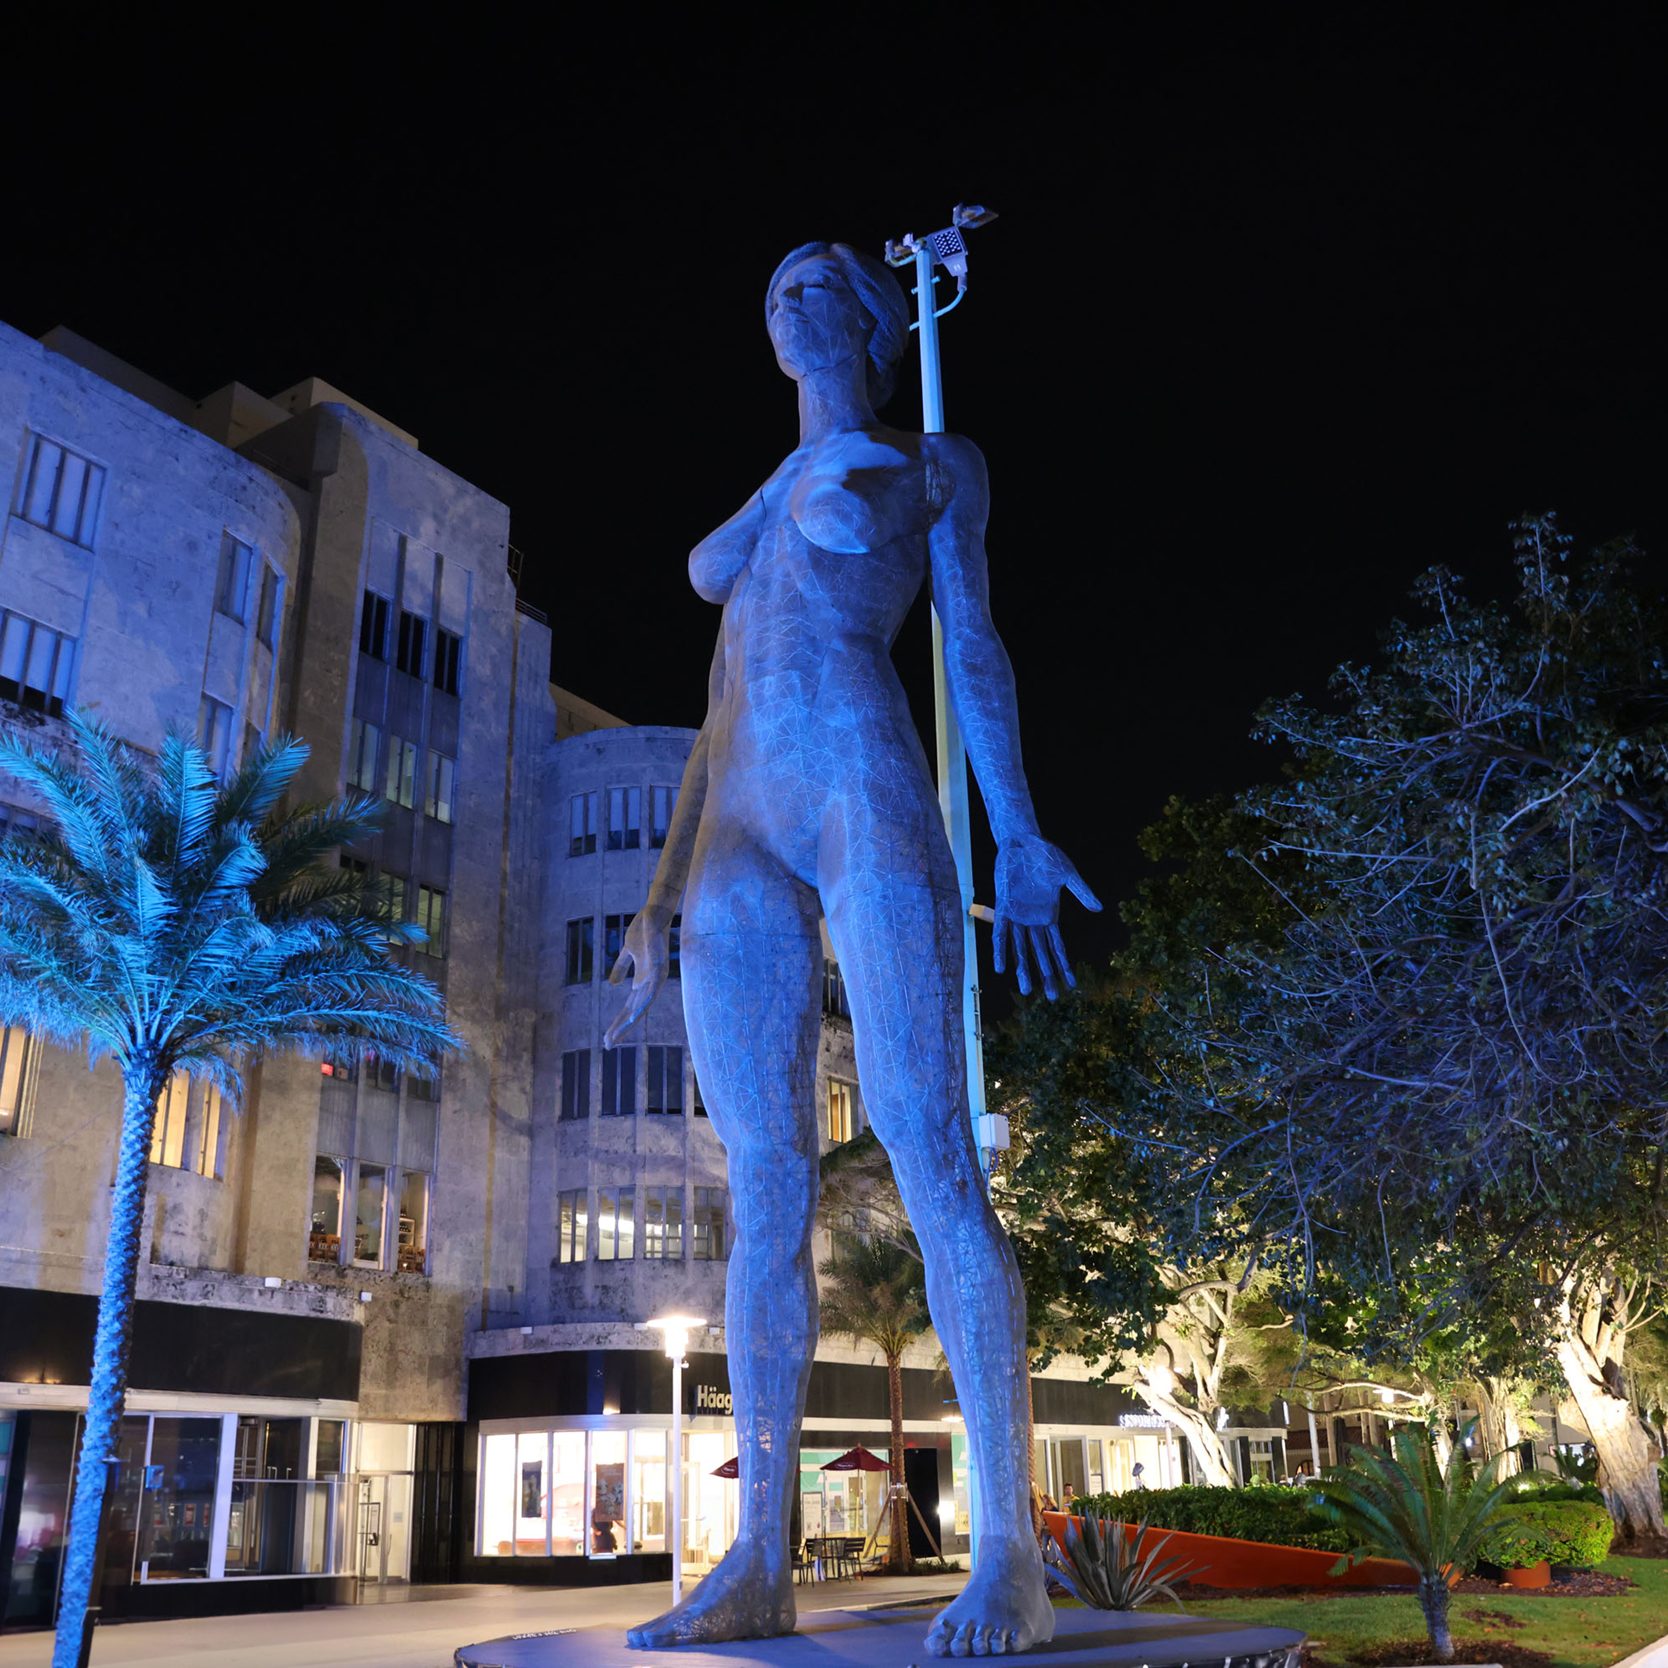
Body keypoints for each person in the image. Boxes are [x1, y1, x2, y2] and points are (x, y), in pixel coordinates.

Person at [609, 242, 1098, 1658]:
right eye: (779, 282)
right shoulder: (771, 509)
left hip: (863, 790)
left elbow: (976, 651)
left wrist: (1016, 828)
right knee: (763, 1182)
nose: (801, 287)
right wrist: (654, 896)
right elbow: (716, 704)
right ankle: (758, 1554)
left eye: (829, 275)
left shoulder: (939, 461)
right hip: (739, 826)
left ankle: (1009, 1551)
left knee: (928, 1143)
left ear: (883, 319)